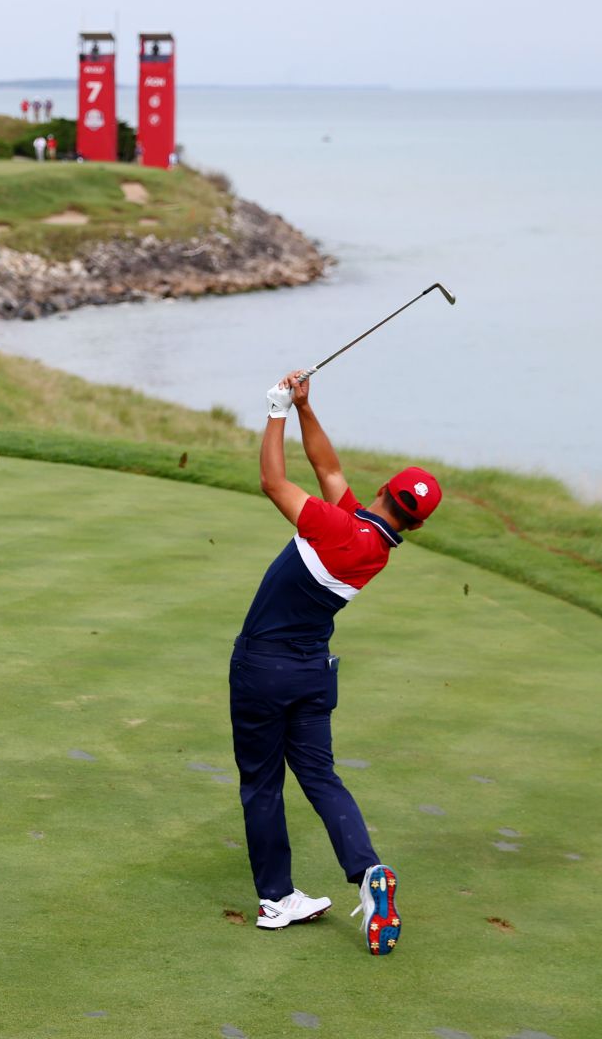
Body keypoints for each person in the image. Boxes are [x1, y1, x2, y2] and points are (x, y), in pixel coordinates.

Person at [231, 368, 441, 955]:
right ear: (416, 523)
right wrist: (305, 408)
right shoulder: (370, 539)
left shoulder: (338, 527)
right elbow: (327, 470)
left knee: (262, 784)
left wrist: (274, 410)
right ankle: (368, 871)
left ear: (383, 491)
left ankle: (277, 899)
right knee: (320, 776)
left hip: (264, 668)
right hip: (311, 673)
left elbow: (275, 482)